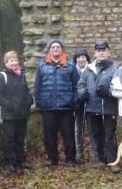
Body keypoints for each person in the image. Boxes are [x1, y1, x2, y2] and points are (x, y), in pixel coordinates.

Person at [34, 39, 79, 167]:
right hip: (48, 107)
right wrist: (39, 103)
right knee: (49, 135)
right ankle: (52, 159)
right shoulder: (42, 66)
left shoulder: (70, 66)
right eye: (53, 47)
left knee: (68, 135)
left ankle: (70, 159)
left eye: (57, 47)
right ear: (49, 50)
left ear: (62, 49)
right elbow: (37, 87)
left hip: (66, 107)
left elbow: (76, 86)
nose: (55, 49)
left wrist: (75, 101)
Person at [77, 42, 120, 173]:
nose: (101, 53)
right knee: (95, 135)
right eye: (98, 51)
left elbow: (119, 86)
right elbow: (80, 84)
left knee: (109, 135)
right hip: (92, 107)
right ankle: (99, 159)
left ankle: (112, 161)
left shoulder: (115, 68)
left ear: (108, 52)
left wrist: (109, 93)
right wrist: (82, 92)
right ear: (95, 53)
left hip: (108, 107)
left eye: (104, 50)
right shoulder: (89, 68)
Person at [0, 51, 33, 173]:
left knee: (21, 138)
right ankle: (10, 163)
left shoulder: (21, 74)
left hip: (22, 114)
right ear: (6, 63)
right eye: (11, 61)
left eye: (15, 60)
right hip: (9, 115)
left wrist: (29, 101)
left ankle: (21, 161)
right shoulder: (2, 77)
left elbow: (25, 91)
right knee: (10, 139)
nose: (14, 63)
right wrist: (11, 106)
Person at [72, 48, 92, 163]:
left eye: (83, 57)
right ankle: (79, 152)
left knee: (91, 128)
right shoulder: (73, 70)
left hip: (90, 102)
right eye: (79, 57)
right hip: (77, 103)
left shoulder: (91, 69)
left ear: (87, 58)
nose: (81, 59)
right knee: (78, 128)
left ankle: (93, 152)